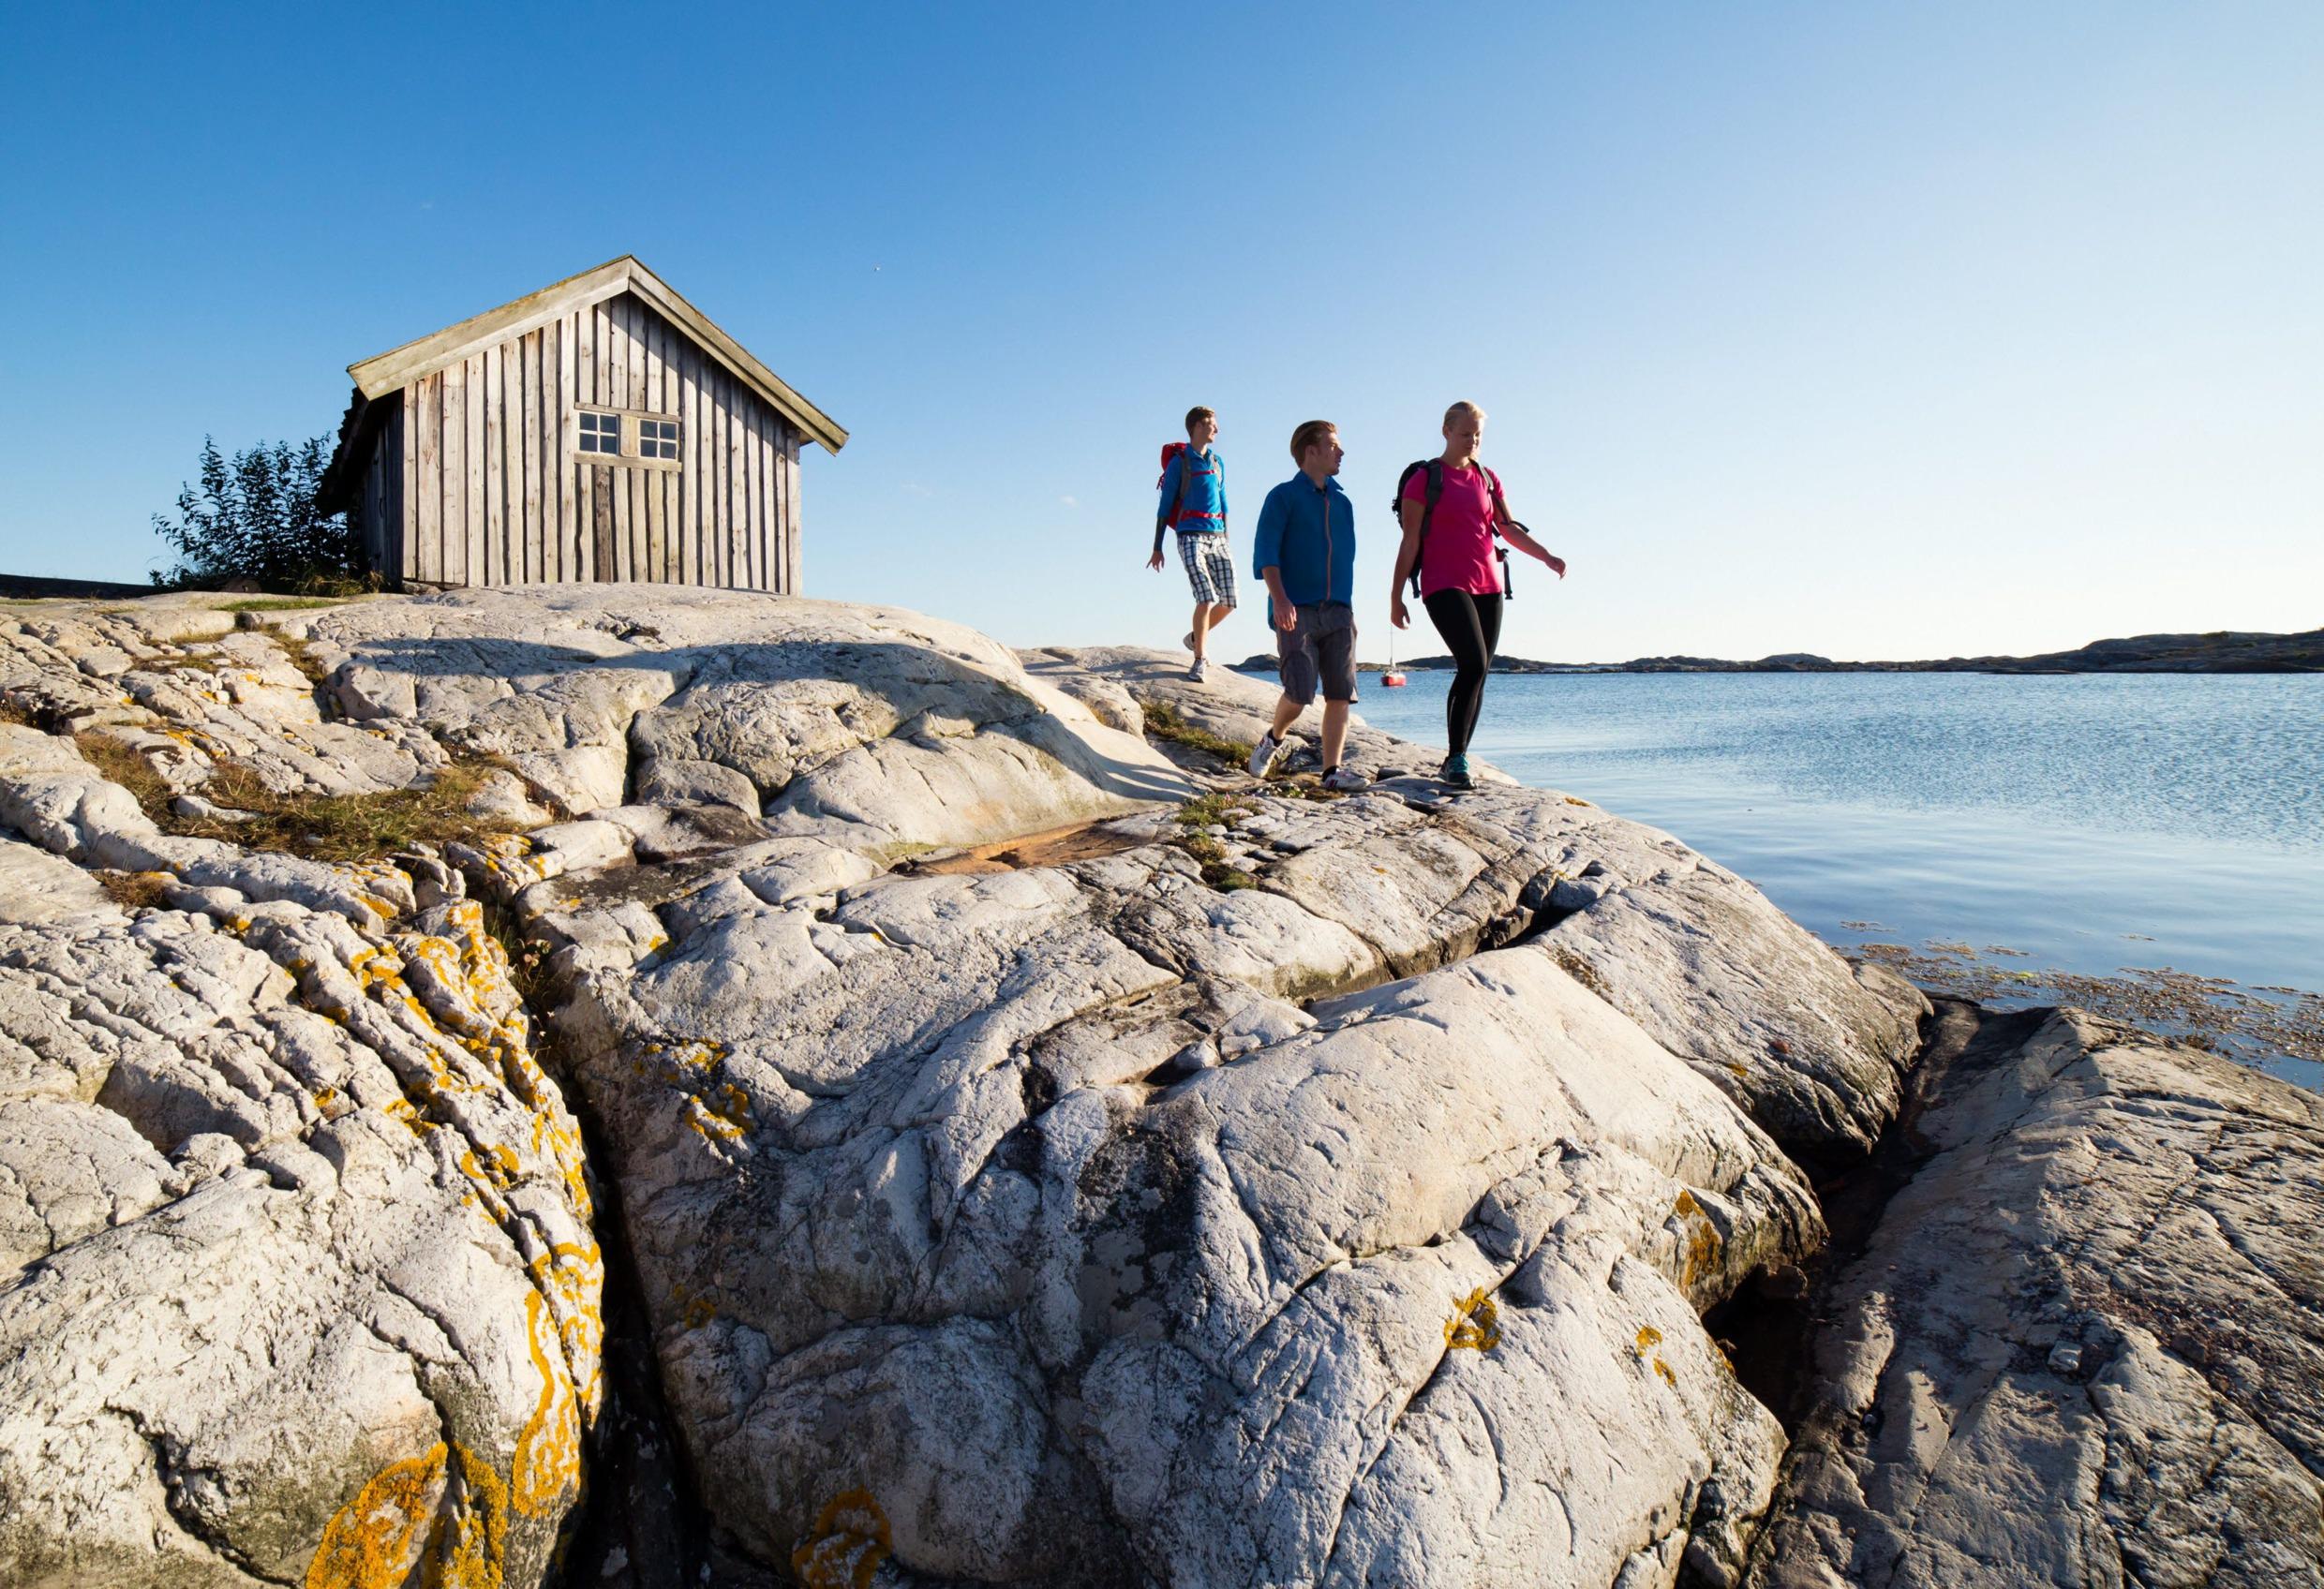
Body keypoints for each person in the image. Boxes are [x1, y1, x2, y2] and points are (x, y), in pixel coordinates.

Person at [1389, 401, 1566, 789]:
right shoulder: (1425, 479)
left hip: (1489, 583)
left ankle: (1460, 757)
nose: (1473, 440)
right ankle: (1454, 759)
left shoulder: (1487, 478)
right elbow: (1410, 539)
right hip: (1443, 583)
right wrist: (1396, 594)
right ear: (1447, 431)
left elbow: (1508, 529)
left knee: (1481, 670)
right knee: (1472, 663)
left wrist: (1546, 557)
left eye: (1478, 434)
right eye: (1466, 433)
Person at [1247, 420, 1365, 792]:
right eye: (1333, 445)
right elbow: (1266, 552)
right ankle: (1274, 738)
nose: (1341, 451)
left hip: (1339, 611)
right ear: (1310, 451)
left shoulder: (1343, 502)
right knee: (1299, 693)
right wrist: (1280, 599)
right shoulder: (1282, 496)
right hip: (1295, 608)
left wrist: (1346, 608)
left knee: (1340, 693)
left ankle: (1331, 772)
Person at [1146, 407, 1233, 682]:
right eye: (1211, 424)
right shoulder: (1180, 462)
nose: (1216, 429)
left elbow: (1224, 504)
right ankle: (1199, 659)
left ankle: (1195, 637)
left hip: (1218, 537)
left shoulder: (1218, 462)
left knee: (1231, 600)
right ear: (1196, 427)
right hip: (1189, 536)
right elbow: (1165, 506)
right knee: (1206, 597)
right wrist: (1157, 546)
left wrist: (1226, 540)